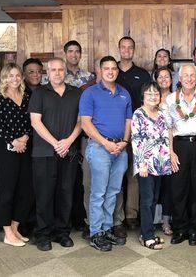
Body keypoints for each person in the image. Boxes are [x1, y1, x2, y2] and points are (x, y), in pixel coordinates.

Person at [28, 58, 83, 251]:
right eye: (53, 70)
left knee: (65, 194)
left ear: (65, 72)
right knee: (44, 195)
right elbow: (36, 122)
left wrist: (68, 142)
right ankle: (43, 234)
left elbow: (81, 121)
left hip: (69, 152)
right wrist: (55, 143)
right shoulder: (39, 93)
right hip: (44, 153)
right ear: (47, 73)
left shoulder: (76, 93)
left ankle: (62, 232)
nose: (57, 73)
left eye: (61, 69)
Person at [80, 56, 132, 252]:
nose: (110, 71)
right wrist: (106, 143)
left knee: (113, 192)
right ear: (100, 71)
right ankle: (95, 233)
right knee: (98, 192)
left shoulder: (124, 93)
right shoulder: (90, 93)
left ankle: (106, 228)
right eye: (106, 68)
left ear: (117, 72)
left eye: (114, 68)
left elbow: (128, 122)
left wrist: (124, 142)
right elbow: (86, 123)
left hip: (120, 149)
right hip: (100, 148)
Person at [0, 63, 34, 247]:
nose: (14, 79)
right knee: (7, 191)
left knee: (26, 190)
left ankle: (15, 227)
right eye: (10, 76)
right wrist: (13, 141)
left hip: (25, 148)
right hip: (6, 151)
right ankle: (7, 231)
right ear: (4, 78)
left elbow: (33, 120)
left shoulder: (27, 95)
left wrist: (24, 138)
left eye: (17, 75)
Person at [166, 64, 196, 246]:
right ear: (180, 77)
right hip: (179, 146)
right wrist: (170, 152)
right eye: (186, 75)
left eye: (193, 75)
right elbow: (168, 128)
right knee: (178, 189)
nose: (190, 78)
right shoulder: (170, 99)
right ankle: (180, 228)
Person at [116, 36, 152, 231]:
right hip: (115, 130)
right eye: (123, 47)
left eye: (130, 47)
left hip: (138, 131)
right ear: (119, 49)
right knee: (117, 174)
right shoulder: (112, 71)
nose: (127, 50)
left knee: (134, 174)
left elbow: (148, 101)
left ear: (134, 50)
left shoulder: (142, 74)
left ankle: (131, 214)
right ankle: (118, 215)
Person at [131, 82, 172, 250]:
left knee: (155, 199)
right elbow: (137, 140)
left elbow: (168, 134)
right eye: (149, 94)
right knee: (147, 200)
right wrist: (141, 163)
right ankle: (147, 235)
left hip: (160, 163)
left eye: (156, 94)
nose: (153, 97)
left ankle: (146, 232)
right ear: (143, 96)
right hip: (145, 165)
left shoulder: (162, 113)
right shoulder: (138, 114)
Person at [154, 67, 175, 236]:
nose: (163, 79)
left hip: (174, 147)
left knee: (169, 186)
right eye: (160, 77)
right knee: (154, 187)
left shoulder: (177, 97)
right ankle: (147, 221)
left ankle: (166, 221)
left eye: (166, 76)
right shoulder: (151, 98)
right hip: (154, 149)